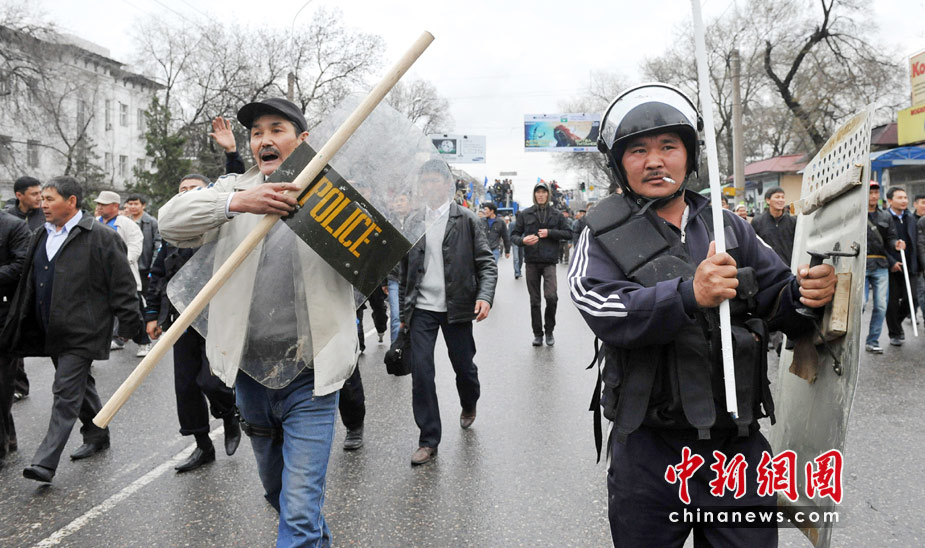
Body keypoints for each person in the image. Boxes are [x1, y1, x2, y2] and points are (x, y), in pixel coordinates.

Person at [568, 83, 837, 548]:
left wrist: (804, 294)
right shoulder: (598, 234)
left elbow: (775, 298)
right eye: (638, 150)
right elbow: (602, 308)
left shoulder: (728, 224)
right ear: (619, 162)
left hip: (737, 445)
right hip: (650, 448)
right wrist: (687, 294)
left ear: (689, 155)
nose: (655, 160)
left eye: (669, 146)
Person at [158, 97, 357, 546]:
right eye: (256, 133)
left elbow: (377, 260)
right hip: (250, 375)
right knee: (279, 495)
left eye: (277, 129)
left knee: (300, 509)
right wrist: (237, 202)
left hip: (313, 376)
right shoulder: (234, 189)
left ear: (302, 140)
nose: (264, 140)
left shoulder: (335, 195)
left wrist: (330, 210)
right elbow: (169, 222)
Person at [2, 176, 140, 483]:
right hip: (52, 330)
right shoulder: (40, 234)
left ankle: (45, 462)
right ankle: (96, 433)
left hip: (84, 331)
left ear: (72, 201)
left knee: (64, 392)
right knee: (80, 386)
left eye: (50, 199)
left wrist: (132, 326)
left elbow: (122, 286)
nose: (43, 204)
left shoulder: (102, 237)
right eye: (42, 199)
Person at [399, 159, 496, 466]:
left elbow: (486, 263)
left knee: (464, 368)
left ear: (446, 184)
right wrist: (404, 310)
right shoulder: (413, 221)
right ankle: (428, 439)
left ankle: (469, 403)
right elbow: (405, 269)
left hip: (457, 307)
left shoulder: (466, 219)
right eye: (424, 182)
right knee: (423, 373)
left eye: (434, 181)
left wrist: (485, 297)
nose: (429, 187)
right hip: (423, 309)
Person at [145, 174, 240, 473]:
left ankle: (229, 413)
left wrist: (231, 155)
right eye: (181, 189)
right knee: (186, 387)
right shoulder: (172, 237)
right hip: (181, 320)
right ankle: (202, 446)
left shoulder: (221, 228)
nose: (186, 193)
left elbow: (237, 193)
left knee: (210, 380)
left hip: (216, 318)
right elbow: (157, 276)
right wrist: (151, 315)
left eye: (193, 189)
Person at [510, 181, 572, 346]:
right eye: (538, 192)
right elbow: (514, 235)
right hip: (531, 261)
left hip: (549, 261)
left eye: (544, 192)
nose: (541, 195)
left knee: (551, 297)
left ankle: (549, 330)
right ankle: (538, 334)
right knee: (535, 301)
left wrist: (550, 233)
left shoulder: (557, 214)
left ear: (548, 195)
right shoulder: (525, 214)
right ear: (534, 195)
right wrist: (523, 240)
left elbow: (568, 233)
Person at [95, 190, 149, 356]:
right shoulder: (95, 222)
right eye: (98, 204)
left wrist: (122, 264)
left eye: (103, 204)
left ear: (114, 206)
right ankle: (104, 344)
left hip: (123, 276)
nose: (99, 207)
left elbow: (135, 245)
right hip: (100, 276)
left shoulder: (126, 224)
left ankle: (144, 342)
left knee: (133, 310)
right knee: (99, 313)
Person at [0, 209, 30, 468]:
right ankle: (7, 437)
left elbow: (22, 265)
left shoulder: (14, 227)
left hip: (4, 315)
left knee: (2, 382)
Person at [865, 181, 900, 354]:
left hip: (880, 264)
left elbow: (890, 238)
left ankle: (872, 340)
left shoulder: (885, 216)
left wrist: (896, 244)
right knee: (861, 303)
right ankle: (851, 341)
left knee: (881, 305)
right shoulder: (856, 214)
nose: (873, 196)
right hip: (861, 264)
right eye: (870, 192)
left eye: (876, 192)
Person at [885, 186, 918, 346]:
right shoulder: (884, 218)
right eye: (900, 197)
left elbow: (915, 243)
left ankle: (896, 323)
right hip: (890, 267)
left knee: (912, 298)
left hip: (909, 266)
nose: (904, 200)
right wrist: (891, 262)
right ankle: (895, 333)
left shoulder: (910, 218)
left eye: (905, 197)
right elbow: (880, 243)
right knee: (891, 302)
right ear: (890, 200)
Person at [124, 193, 162, 296]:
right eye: (130, 204)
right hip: (129, 265)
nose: (133, 207)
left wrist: (153, 265)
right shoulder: (125, 221)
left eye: (136, 204)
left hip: (145, 267)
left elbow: (157, 244)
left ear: (143, 205)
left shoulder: (152, 222)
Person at [750, 186, 796, 266]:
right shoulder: (757, 222)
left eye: (782, 197)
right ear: (768, 200)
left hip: (789, 267)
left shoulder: (792, 221)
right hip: (767, 268)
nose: (781, 200)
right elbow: (753, 247)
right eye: (777, 197)